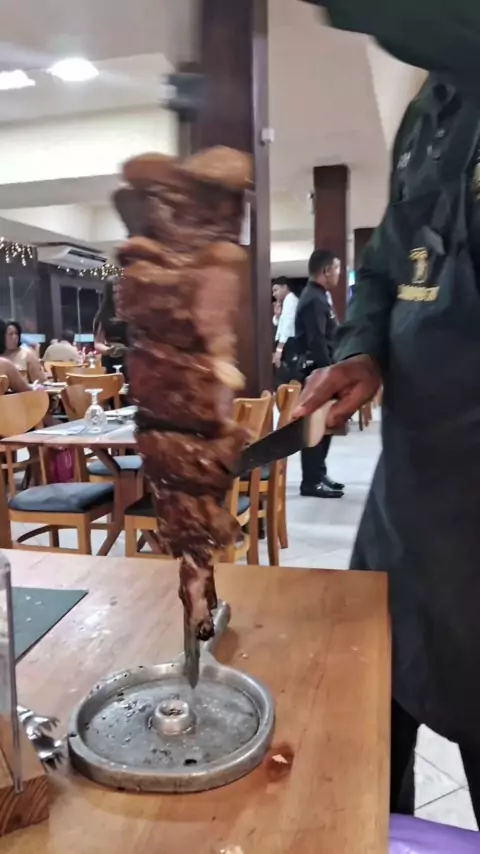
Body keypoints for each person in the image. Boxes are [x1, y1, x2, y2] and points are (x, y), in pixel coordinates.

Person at [294, 75, 480, 823]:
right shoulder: (427, 114)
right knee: (364, 753)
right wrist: (363, 348)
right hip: (405, 499)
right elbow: (384, 266)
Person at [295, 249, 344, 498]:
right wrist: (329, 375)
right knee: (315, 427)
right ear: (326, 270)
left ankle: (319, 473)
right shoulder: (313, 299)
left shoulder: (319, 295)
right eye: (336, 268)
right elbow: (317, 342)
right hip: (317, 373)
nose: (338, 273)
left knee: (325, 426)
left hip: (325, 370)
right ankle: (310, 481)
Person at [93, 279, 128, 375]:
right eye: (114, 292)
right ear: (109, 294)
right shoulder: (103, 315)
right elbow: (98, 343)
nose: (118, 296)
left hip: (131, 361)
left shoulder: (132, 313)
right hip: (110, 361)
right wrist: (109, 350)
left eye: (120, 292)